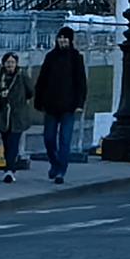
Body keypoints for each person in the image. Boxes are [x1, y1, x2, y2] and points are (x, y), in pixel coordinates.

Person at [33, 26, 90, 184]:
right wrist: (39, 101)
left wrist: (79, 103)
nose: (62, 40)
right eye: (60, 37)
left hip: (68, 106)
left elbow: (81, 83)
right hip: (51, 105)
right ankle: (55, 162)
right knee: (49, 139)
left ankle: (61, 171)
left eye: (65, 38)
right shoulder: (50, 57)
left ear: (70, 40)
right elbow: (42, 80)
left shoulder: (76, 58)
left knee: (65, 140)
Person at [0, 52, 37, 182]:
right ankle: (9, 165)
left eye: (13, 62)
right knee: (6, 142)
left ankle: (9, 170)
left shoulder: (22, 77)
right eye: (8, 62)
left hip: (17, 115)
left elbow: (30, 91)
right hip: (3, 115)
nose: (10, 65)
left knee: (14, 141)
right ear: (3, 63)